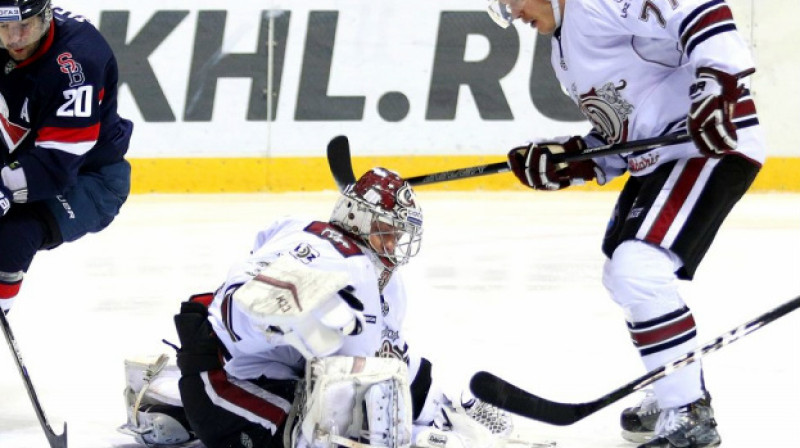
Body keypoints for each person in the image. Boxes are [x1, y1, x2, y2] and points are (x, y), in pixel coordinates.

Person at [487, 0, 764, 447]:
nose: (511, 12)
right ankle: (673, 383)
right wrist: (568, 160)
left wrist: (717, 85)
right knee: (621, 274)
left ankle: (688, 411)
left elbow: (701, 10)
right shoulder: (562, 54)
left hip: (707, 145)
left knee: (638, 268)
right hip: (663, 157)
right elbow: (624, 137)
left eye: (510, 0)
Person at [118, 168, 544, 448]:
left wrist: (439, 401)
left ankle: (169, 394)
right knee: (319, 433)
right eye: (387, 232)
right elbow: (241, 306)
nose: (394, 245)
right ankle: (168, 400)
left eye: (397, 234)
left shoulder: (304, 228)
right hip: (221, 370)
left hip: (253, 363)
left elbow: (385, 358)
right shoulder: (354, 271)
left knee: (348, 402)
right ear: (359, 220)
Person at [0, 0, 133, 312]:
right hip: (24, 157)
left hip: (91, 178)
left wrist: (3, 190)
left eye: (24, 26)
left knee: (13, 234)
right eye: (4, 27)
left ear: (46, 16)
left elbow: (57, 164)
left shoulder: (76, 64)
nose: (15, 38)